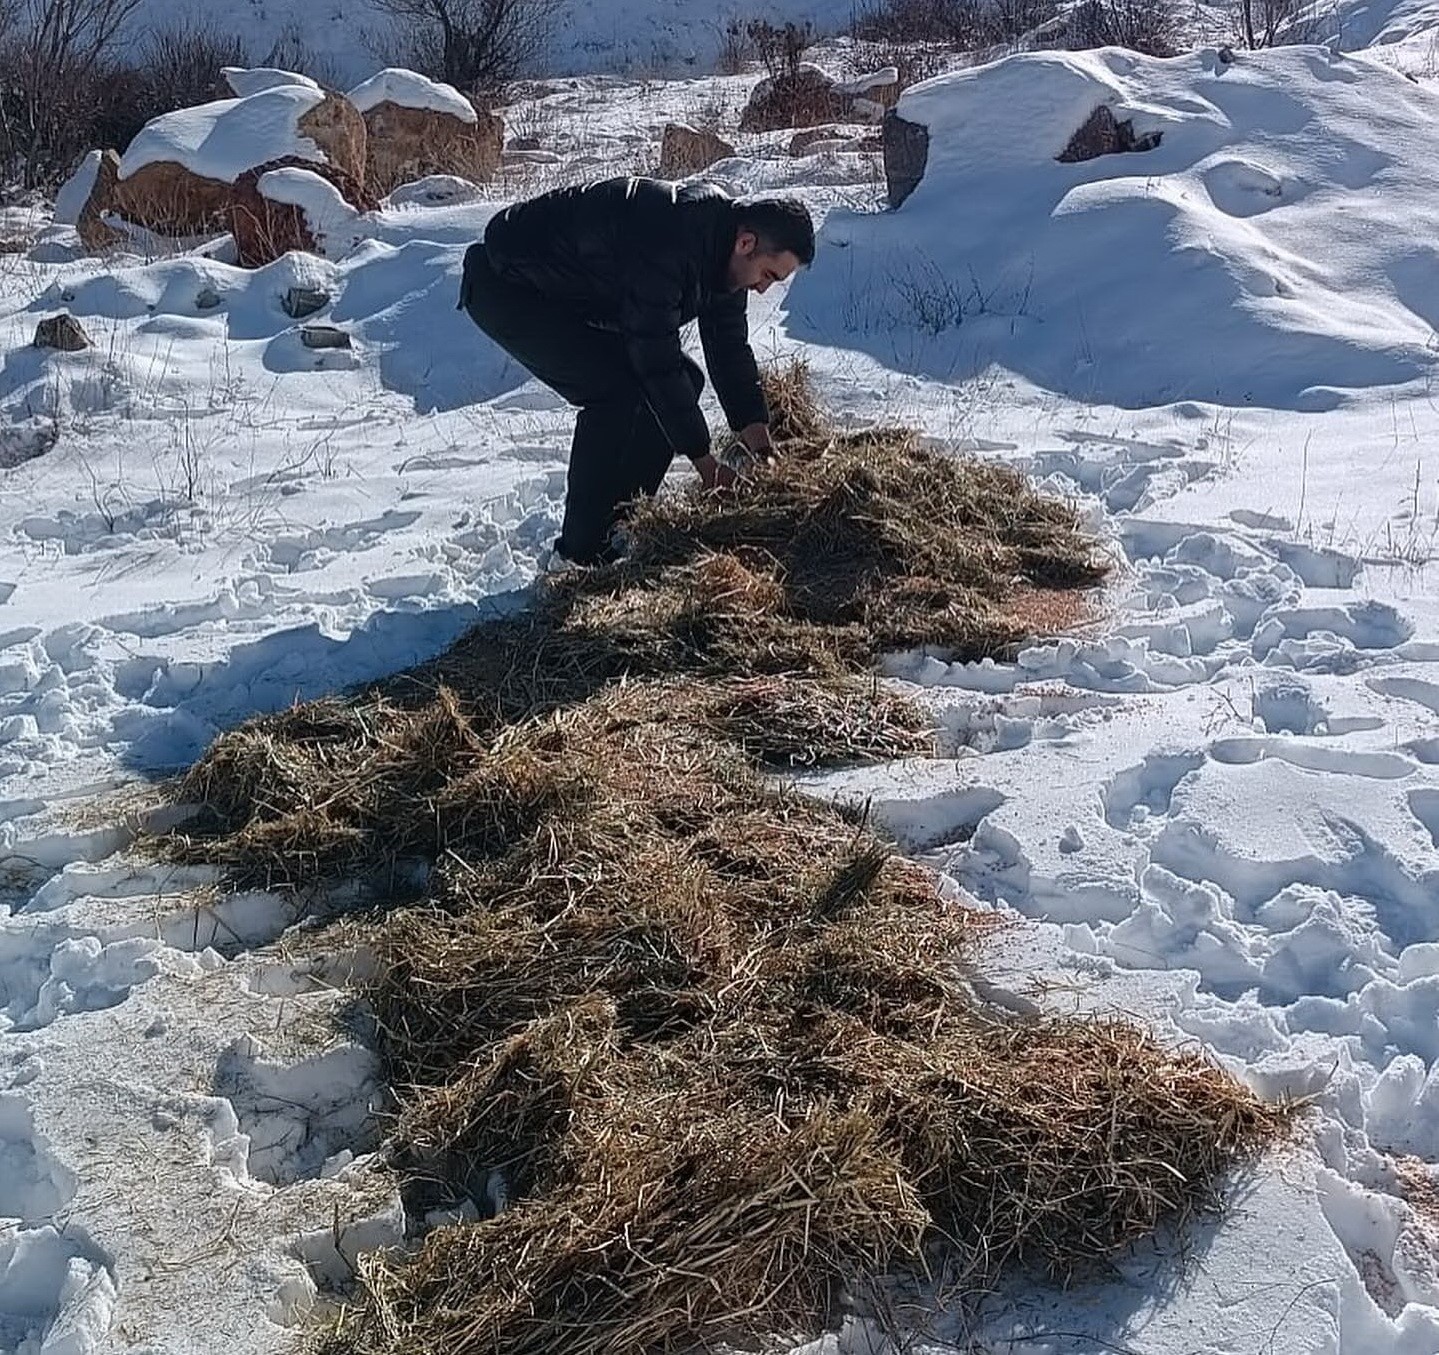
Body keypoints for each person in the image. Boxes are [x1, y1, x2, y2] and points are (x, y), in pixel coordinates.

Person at [458, 176, 815, 566]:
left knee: (685, 379)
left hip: (564, 293)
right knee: (612, 394)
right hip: (506, 287)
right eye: (768, 275)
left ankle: (621, 524)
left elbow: (728, 349)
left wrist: (761, 447)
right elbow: (655, 361)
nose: (763, 289)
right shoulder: (669, 241)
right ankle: (579, 556)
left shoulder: (724, 255)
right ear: (746, 243)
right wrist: (706, 466)